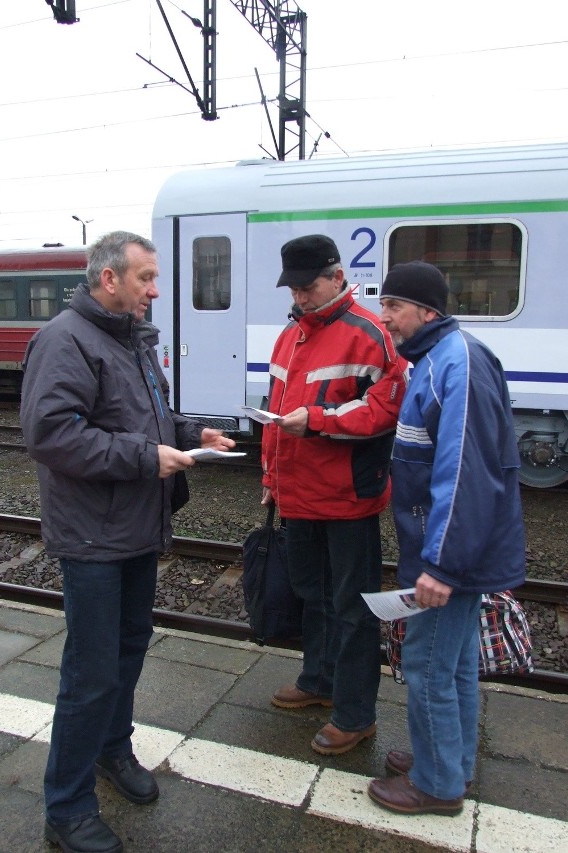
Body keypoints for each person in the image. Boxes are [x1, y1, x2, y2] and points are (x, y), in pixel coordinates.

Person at [20, 231, 235, 853]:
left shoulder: (128, 338)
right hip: (93, 535)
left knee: (129, 650)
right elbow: (51, 435)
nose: (155, 289)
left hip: (136, 526)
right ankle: (66, 808)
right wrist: (147, 457)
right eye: (145, 278)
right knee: (90, 672)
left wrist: (193, 432)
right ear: (108, 279)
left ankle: (113, 750)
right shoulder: (64, 340)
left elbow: (143, 419)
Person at [368, 260, 526, 816]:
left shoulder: (452, 364)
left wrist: (440, 565)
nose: (383, 316)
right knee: (454, 665)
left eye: (393, 307)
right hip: (450, 548)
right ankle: (449, 759)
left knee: (428, 667)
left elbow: (464, 473)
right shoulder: (440, 358)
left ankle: (436, 787)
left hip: (449, 553)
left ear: (426, 311)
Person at [262, 234, 406, 755]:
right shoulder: (291, 336)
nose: (299, 297)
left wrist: (316, 422)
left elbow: (383, 412)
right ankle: (318, 681)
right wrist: (270, 480)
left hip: (348, 501)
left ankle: (355, 714)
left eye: (308, 286)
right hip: (300, 497)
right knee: (312, 596)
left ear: (337, 277)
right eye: (294, 289)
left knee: (352, 608)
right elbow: (275, 415)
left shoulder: (370, 334)